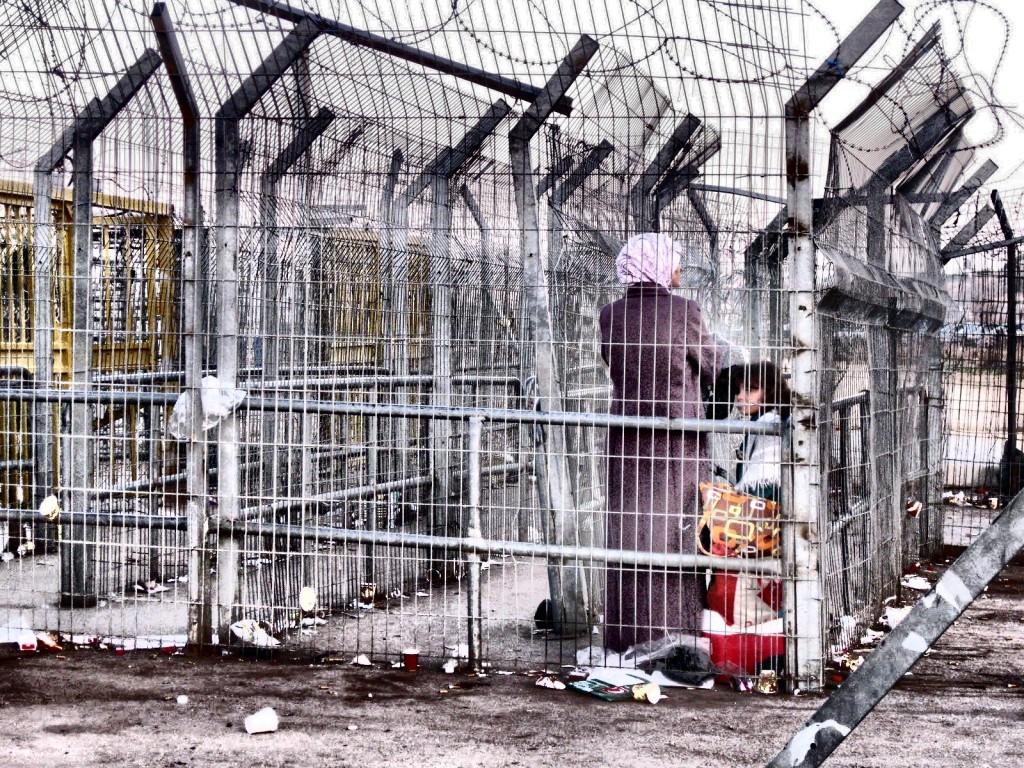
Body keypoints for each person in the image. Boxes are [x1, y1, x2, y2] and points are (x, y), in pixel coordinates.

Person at [599, 233, 730, 653]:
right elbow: (712, 366)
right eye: (674, 263)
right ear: (657, 266)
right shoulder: (685, 311)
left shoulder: (611, 314)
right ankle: (676, 635)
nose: (678, 271)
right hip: (677, 442)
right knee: (677, 527)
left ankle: (626, 635)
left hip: (627, 438)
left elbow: (612, 362)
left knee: (631, 530)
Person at [704, 360, 791, 628]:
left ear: (771, 392)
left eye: (750, 390)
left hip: (762, 529)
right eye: (738, 390)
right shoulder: (761, 422)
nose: (740, 397)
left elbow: (762, 486)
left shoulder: (770, 426)